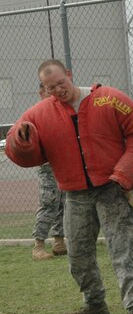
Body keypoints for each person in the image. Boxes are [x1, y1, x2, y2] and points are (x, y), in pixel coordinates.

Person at [5, 59, 133, 314]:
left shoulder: (110, 99)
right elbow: (20, 146)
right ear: (44, 88)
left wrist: (124, 174)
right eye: (50, 88)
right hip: (75, 194)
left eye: (61, 84)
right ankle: (94, 302)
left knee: (121, 248)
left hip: (112, 187)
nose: (58, 91)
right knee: (76, 252)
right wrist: (22, 137)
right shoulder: (40, 114)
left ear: (69, 75)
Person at [32, 82, 67, 261]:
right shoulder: (37, 113)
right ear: (41, 92)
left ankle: (59, 241)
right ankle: (38, 245)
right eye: (48, 90)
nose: (53, 93)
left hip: (63, 164)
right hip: (47, 166)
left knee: (62, 203)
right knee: (49, 202)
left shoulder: (61, 109)